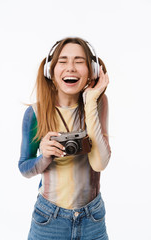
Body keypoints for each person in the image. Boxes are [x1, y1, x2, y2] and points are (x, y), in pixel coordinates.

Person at [18, 37, 111, 240]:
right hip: (49, 219)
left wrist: (90, 102)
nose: (71, 68)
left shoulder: (97, 103)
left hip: (92, 218)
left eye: (79, 61)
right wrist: (45, 157)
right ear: (50, 70)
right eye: (62, 61)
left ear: (92, 71)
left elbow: (100, 163)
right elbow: (24, 167)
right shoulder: (36, 113)